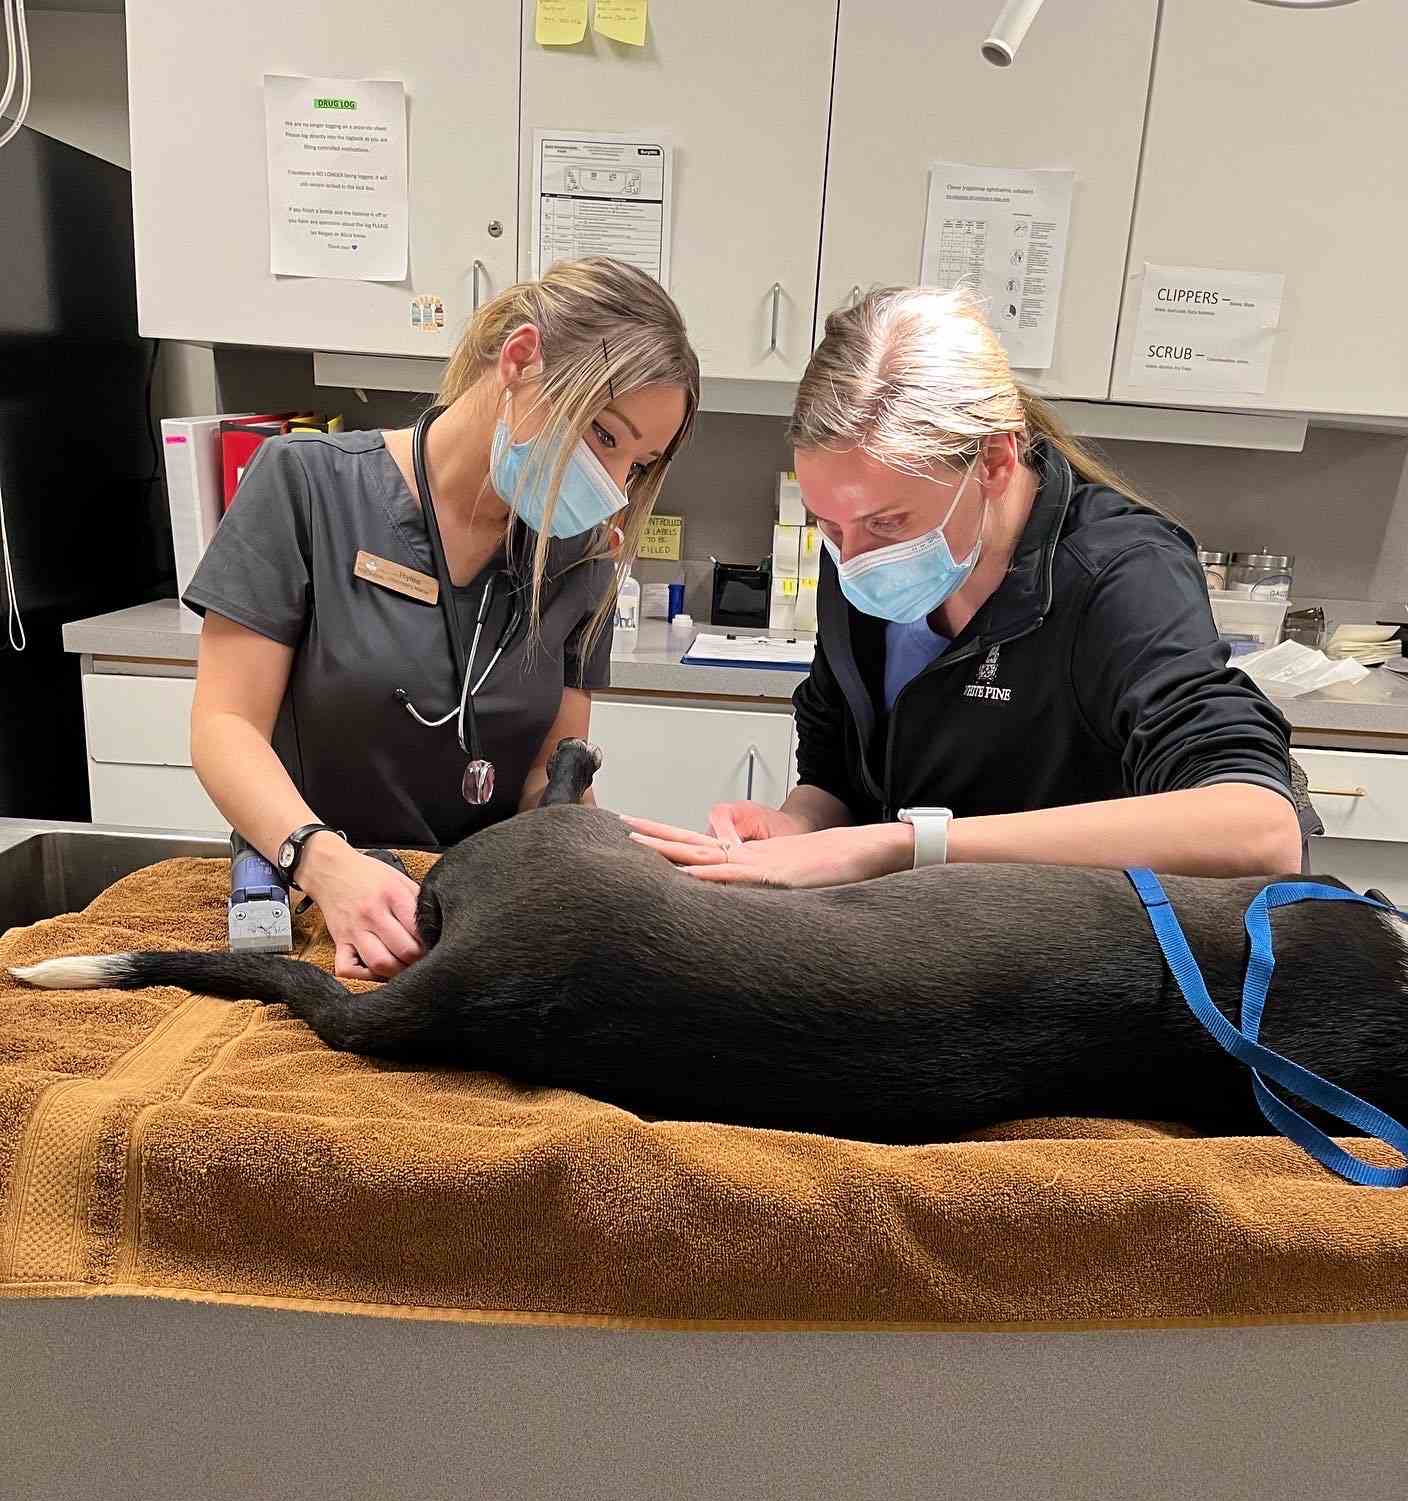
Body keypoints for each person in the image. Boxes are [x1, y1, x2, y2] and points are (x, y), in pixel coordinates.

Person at [627, 286, 1304, 888]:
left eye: (888, 523)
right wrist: (799, 826)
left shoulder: (1120, 573)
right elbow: (835, 767)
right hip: (927, 945)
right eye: (828, 527)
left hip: (1079, 962)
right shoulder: (859, 554)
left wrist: (904, 847)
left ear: (996, 460)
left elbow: (1260, 829)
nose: (855, 558)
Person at [185, 256, 698, 977]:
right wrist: (325, 866)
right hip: (315, 898)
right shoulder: (306, 486)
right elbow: (224, 725)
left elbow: (547, 782)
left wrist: (578, 869)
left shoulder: (581, 558)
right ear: (520, 359)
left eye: (638, 464)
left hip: (467, 923)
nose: (613, 486)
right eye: (606, 438)